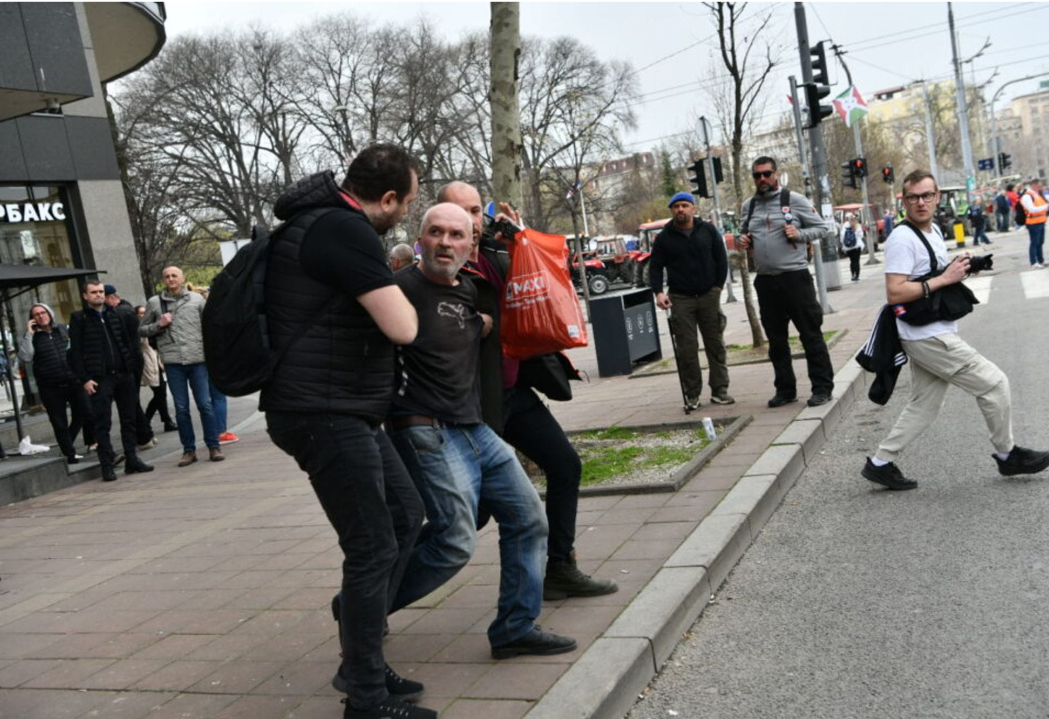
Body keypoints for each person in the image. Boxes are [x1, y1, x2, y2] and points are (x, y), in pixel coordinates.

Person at [263, 145, 432, 719]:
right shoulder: (345, 230)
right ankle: (365, 699)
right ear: (386, 199)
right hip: (324, 411)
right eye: (406, 205)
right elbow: (403, 326)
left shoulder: (318, 223)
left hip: (338, 407)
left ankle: (363, 662)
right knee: (372, 544)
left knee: (405, 517)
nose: (405, 216)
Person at [386, 202, 577, 662]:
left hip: (476, 428)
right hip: (426, 430)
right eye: (436, 233)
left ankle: (514, 627)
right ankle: (363, 606)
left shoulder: (470, 290)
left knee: (529, 520)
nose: (445, 243)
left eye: (457, 235)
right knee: (454, 540)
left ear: (470, 244)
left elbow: (514, 285)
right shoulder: (396, 290)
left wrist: (484, 322)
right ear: (420, 237)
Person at [439, 180, 618, 600]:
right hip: (474, 406)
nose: (472, 221)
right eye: (461, 212)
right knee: (476, 512)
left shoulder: (497, 253)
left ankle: (559, 567)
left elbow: (548, 279)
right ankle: (378, 591)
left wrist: (522, 240)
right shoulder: (442, 266)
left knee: (565, 465)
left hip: (513, 391)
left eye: (476, 211)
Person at [862, 169, 1049, 490]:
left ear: (937, 197)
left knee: (925, 404)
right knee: (994, 384)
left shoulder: (932, 230)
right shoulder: (902, 238)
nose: (921, 202)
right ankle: (1008, 456)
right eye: (913, 197)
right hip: (927, 336)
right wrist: (945, 279)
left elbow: (930, 275)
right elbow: (895, 292)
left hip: (932, 329)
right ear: (904, 200)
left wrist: (962, 267)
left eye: (927, 195)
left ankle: (880, 462)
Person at [737, 156, 834, 408]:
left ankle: (822, 388)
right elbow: (744, 233)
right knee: (776, 341)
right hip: (766, 282)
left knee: (810, 335)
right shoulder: (749, 205)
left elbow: (822, 228)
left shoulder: (794, 200)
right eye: (757, 175)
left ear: (776, 173)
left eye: (766, 174)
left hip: (795, 278)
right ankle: (785, 389)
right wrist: (744, 241)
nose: (762, 179)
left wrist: (799, 234)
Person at [649, 191, 732, 409]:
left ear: (693, 208)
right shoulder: (664, 238)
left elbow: (721, 259)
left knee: (715, 345)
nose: (681, 210)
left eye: (685, 205)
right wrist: (658, 292)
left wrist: (718, 287)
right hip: (680, 298)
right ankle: (692, 394)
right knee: (686, 349)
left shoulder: (708, 230)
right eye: (676, 207)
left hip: (708, 296)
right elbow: (655, 267)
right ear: (672, 211)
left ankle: (720, 390)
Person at [68, 281, 153, 482]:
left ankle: (132, 459)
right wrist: (85, 379)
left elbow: (130, 343)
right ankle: (107, 465)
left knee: (129, 419)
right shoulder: (79, 319)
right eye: (94, 292)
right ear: (85, 296)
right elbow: (74, 354)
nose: (98, 295)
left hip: (123, 375)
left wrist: (132, 370)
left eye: (101, 292)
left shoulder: (116, 314)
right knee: (102, 423)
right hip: (99, 379)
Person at [140, 266, 224, 466]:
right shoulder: (154, 302)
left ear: (182, 278)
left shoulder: (197, 300)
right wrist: (159, 324)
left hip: (198, 360)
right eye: (167, 276)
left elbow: (210, 326)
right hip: (173, 362)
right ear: (163, 280)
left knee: (205, 404)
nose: (171, 279)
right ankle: (189, 451)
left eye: (174, 276)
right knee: (181, 408)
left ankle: (214, 446)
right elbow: (142, 330)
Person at [18, 304, 94, 465]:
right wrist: (30, 334)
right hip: (50, 387)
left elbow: (79, 348)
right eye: (36, 315)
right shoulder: (31, 337)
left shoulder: (63, 329)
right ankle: (69, 454)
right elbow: (26, 357)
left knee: (85, 411)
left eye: (43, 312)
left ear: (50, 313)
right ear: (32, 319)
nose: (40, 316)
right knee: (59, 422)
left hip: (74, 381)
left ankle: (70, 442)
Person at [106, 285, 156, 452]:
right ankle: (146, 434)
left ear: (112, 298)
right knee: (132, 401)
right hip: (133, 360)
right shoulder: (126, 310)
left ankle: (144, 436)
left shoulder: (120, 313)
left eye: (104, 298)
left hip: (130, 362)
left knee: (130, 401)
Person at [135, 305, 177, 432]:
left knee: (161, 393)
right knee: (160, 392)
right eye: (141, 313)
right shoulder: (141, 329)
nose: (144, 315)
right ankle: (148, 420)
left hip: (155, 362)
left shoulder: (151, 326)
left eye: (145, 312)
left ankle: (164, 420)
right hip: (148, 363)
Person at [1021, 177, 1048, 269]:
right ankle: (1033, 262)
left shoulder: (1038, 194)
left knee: (1040, 242)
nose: (1040, 187)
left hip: (1041, 221)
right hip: (1033, 223)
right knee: (1034, 242)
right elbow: (1031, 209)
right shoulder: (1027, 196)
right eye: (1039, 186)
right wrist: (1046, 207)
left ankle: (1041, 260)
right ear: (1034, 185)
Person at [840, 213, 865, 282]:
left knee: (852, 261)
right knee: (856, 261)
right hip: (857, 246)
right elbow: (861, 235)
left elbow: (842, 237)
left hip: (848, 247)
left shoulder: (844, 226)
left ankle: (852, 274)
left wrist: (844, 244)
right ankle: (856, 277)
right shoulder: (857, 225)